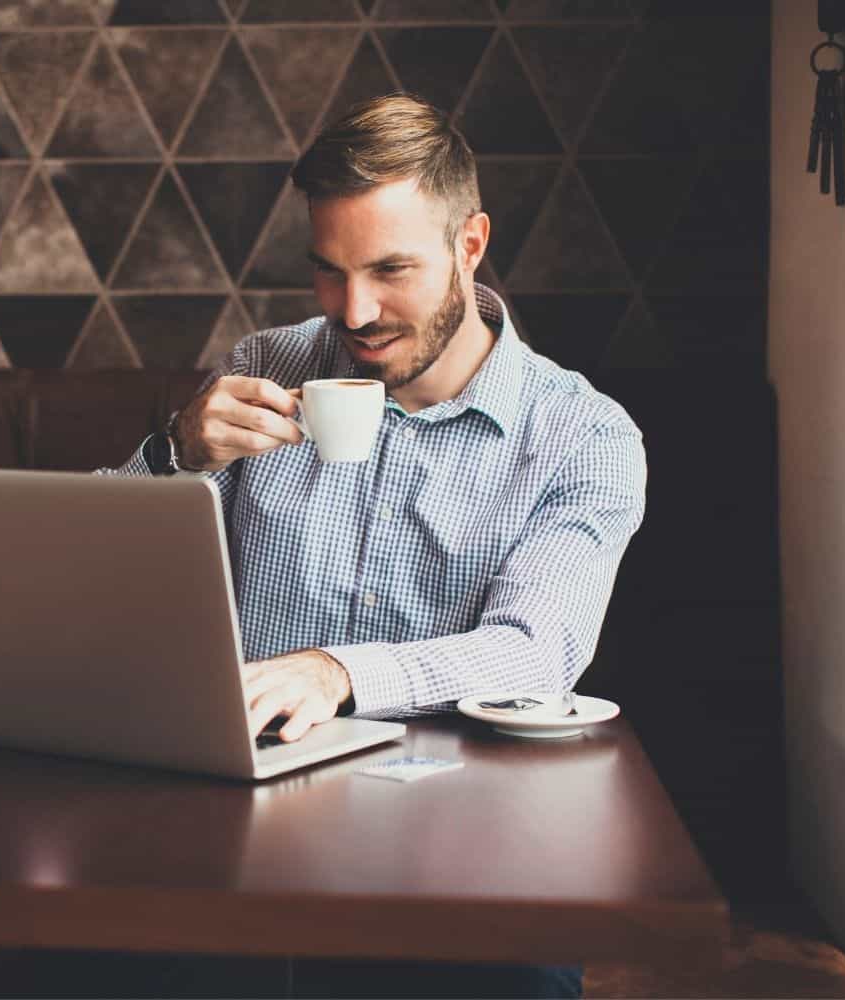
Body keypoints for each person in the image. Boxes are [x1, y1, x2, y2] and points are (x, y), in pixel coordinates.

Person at [104, 93, 647, 998]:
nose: (354, 312)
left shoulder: (581, 435)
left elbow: (536, 650)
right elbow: (84, 572)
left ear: (470, 245)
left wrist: (336, 672)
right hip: (237, 817)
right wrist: (174, 455)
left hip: (467, 839)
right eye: (328, 271)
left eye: (391, 269)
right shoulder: (266, 365)